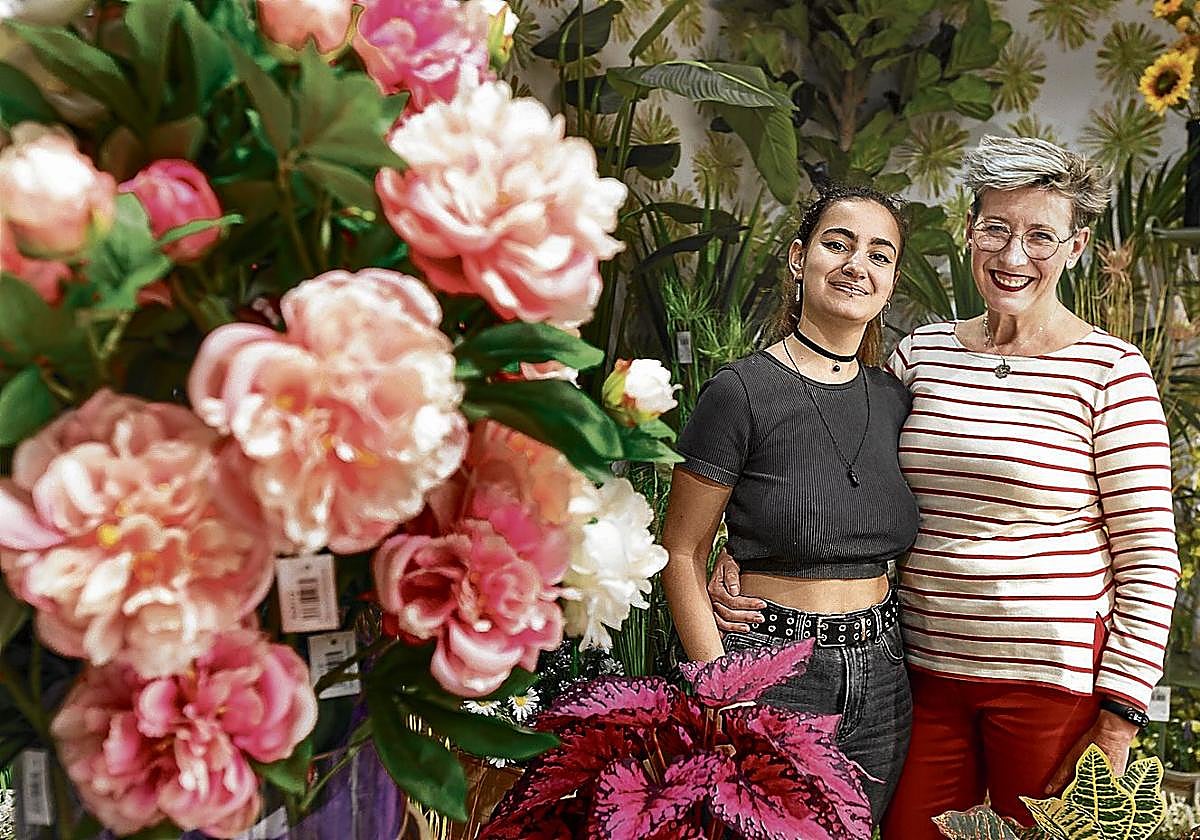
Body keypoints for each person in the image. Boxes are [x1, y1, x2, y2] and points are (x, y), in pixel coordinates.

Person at [708, 135, 1180, 838]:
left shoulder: (1111, 372)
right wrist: (738, 545)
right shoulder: (921, 354)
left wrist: (1120, 715)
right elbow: (844, 471)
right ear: (969, 232)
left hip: (1052, 688)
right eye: (996, 229)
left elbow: (1149, 557)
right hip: (919, 676)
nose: (1013, 257)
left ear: (1077, 248)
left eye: (1040, 236)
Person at [659, 182, 920, 824]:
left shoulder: (894, 399)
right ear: (799, 259)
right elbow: (681, 550)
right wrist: (723, 691)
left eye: (879, 254)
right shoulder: (741, 391)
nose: (858, 264)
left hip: (885, 679)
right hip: (773, 673)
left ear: (890, 282)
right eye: (839, 244)